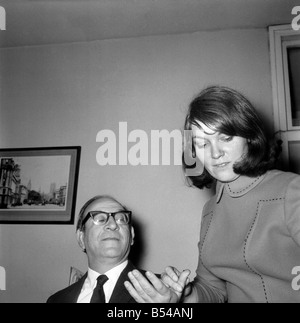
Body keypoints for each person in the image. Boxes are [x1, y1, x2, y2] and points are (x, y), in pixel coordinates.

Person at [124, 85, 300, 303]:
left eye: (226, 138)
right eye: (202, 143)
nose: (215, 153)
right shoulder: (210, 211)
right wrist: (179, 296)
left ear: (249, 136)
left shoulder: (291, 191)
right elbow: (213, 290)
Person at [47, 195, 146, 303]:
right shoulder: (57, 300)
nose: (113, 225)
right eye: (100, 218)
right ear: (81, 238)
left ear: (131, 235)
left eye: (121, 219)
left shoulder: (161, 292)